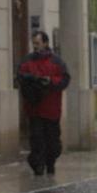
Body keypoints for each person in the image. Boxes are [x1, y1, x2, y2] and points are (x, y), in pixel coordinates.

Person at [17, 32, 71, 175]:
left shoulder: (57, 62)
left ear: (45, 43)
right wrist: (31, 80)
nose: (35, 46)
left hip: (52, 110)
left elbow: (64, 79)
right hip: (34, 110)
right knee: (37, 140)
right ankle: (38, 166)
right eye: (33, 43)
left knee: (53, 142)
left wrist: (50, 81)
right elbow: (20, 77)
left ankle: (50, 162)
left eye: (38, 43)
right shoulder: (27, 61)